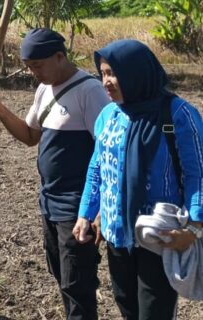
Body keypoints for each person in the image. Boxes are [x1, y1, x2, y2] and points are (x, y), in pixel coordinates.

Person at [0, 28, 110, 320]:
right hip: (49, 201)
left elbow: (108, 151)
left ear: (60, 56)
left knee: (78, 282)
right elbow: (29, 135)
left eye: (38, 65)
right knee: (62, 274)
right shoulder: (43, 90)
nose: (34, 73)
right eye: (29, 67)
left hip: (77, 205)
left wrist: (97, 210)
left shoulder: (90, 91)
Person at [73, 40, 203, 319]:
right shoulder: (108, 115)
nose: (106, 81)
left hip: (159, 236)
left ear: (136, 73)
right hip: (117, 232)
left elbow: (198, 176)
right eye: (103, 73)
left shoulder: (178, 115)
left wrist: (193, 230)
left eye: (113, 73)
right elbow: (98, 166)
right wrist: (86, 212)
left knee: (154, 312)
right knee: (126, 305)